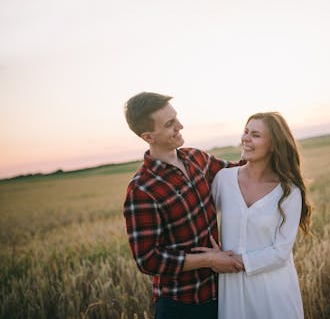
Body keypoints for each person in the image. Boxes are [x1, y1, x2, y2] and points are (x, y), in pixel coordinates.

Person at [122, 92, 243, 319]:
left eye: (176, 118)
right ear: (148, 136)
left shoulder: (197, 158)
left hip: (224, 294)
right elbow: (148, 259)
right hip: (182, 305)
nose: (180, 126)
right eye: (170, 124)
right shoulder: (142, 189)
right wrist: (208, 260)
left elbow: (241, 172)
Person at [194, 111, 312, 319]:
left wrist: (237, 261)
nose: (245, 138)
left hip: (273, 289)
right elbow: (201, 219)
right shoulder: (223, 180)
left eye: (255, 135)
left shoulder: (289, 191)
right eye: (246, 131)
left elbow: (281, 251)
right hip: (232, 289)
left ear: (274, 144)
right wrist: (212, 257)